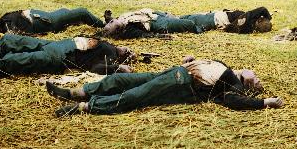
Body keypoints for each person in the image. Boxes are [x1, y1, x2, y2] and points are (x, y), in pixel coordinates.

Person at [46, 55, 284, 116]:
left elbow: (234, 101)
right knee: (121, 80)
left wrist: (264, 102)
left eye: (256, 81)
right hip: (174, 71)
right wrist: (191, 60)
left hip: (180, 83)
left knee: (135, 95)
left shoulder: (233, 85)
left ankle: (83, 107)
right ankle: (74, 93)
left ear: (247, 83)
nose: (257, 77)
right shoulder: (226, 66)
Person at [0, 34, 135, 79]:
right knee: (9, 40)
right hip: (53, 44)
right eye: (129, 49)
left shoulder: (110, 55)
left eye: (129, 52)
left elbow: (97, 69)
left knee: (15, 61)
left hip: (60, 58)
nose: (128, 49)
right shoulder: (108, 44)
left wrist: (119, 68)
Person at [101, 7, 272, 39]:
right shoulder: (247, 21)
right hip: (210, 16)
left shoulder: (245, 22)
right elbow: (261, 9)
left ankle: (195, 27)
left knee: (185, 22)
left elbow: (261, 9)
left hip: (210, 18)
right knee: (184, 20)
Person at [0, 7, 105, 37]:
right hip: (49, 21)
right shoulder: (7, 26)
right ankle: (105, 26)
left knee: (65, 11)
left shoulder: (5, 21)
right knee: (82, 12)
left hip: (46, 17)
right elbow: (20, 35)